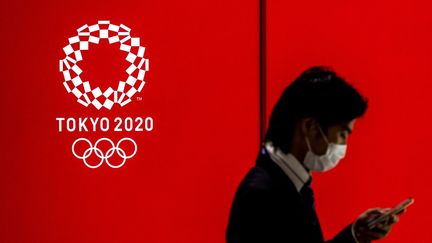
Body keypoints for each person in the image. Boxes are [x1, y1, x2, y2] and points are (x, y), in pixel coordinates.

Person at [226, 66, 404, 243]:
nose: (344, 146)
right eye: (342, 134)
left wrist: (356, 234)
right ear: (310, 126)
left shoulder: (291, 184)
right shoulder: (261, 197)